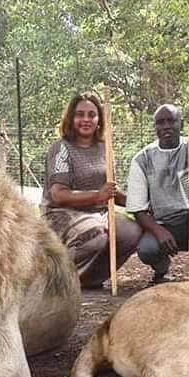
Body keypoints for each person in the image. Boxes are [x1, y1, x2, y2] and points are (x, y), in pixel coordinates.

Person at [126, 80, 189, 284]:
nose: (166, 127)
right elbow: (137, 209)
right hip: (166, 225)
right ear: (155, 127)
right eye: (161, 122)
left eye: (171, 121)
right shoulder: (142, 159)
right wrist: (158, 230)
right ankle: (161, 270)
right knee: (147, 249)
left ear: (180, 123)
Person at [44, 92, 142, 289]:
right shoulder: (62, 148)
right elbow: (58, 194)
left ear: (99, 120)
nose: (86, 119)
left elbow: (111, 191)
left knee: (132, 232)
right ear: (71, 119)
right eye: (80, 114)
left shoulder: (105, 149)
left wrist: (142, 204)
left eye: (92, 114)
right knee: (95, 235)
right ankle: (57, 281)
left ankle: (89, 279)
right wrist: (98, 195)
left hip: (99, 213)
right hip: (63, 213)